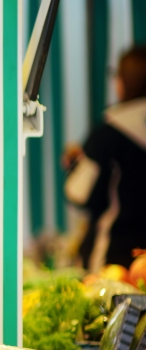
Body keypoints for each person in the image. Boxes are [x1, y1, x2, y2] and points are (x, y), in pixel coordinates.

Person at [64, 45, 146, 270]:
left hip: (112, 260)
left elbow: (77, 193)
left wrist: (77, 164)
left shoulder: (108, 135)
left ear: (123, 82)